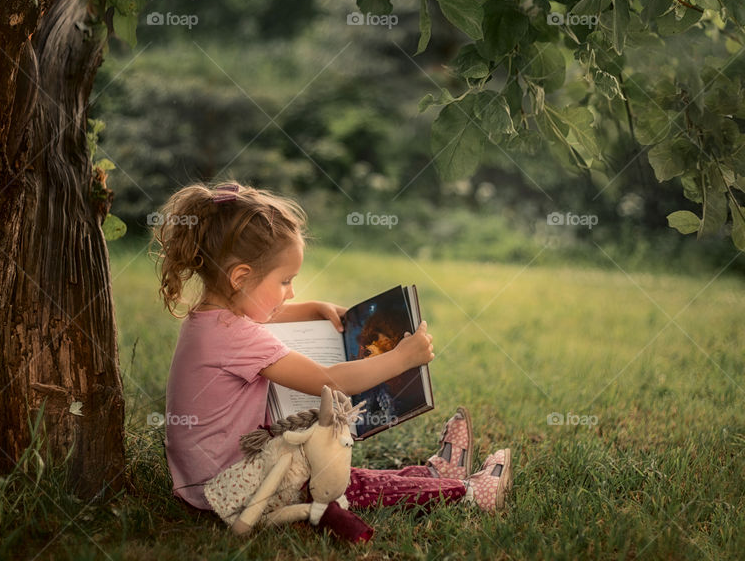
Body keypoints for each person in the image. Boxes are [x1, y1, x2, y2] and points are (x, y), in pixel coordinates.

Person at [152, 180, 512, 518]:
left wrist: (314, 308)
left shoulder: (212, 321)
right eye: (285, 281)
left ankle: (433, 475)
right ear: (240, 277)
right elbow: (329, 380)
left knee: (334, 469)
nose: (291, 293)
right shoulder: (235, 334)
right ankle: (466, 493)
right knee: (343, 485)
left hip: (206, 478)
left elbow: (264, 316)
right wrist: (402, 357)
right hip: (231, 489)